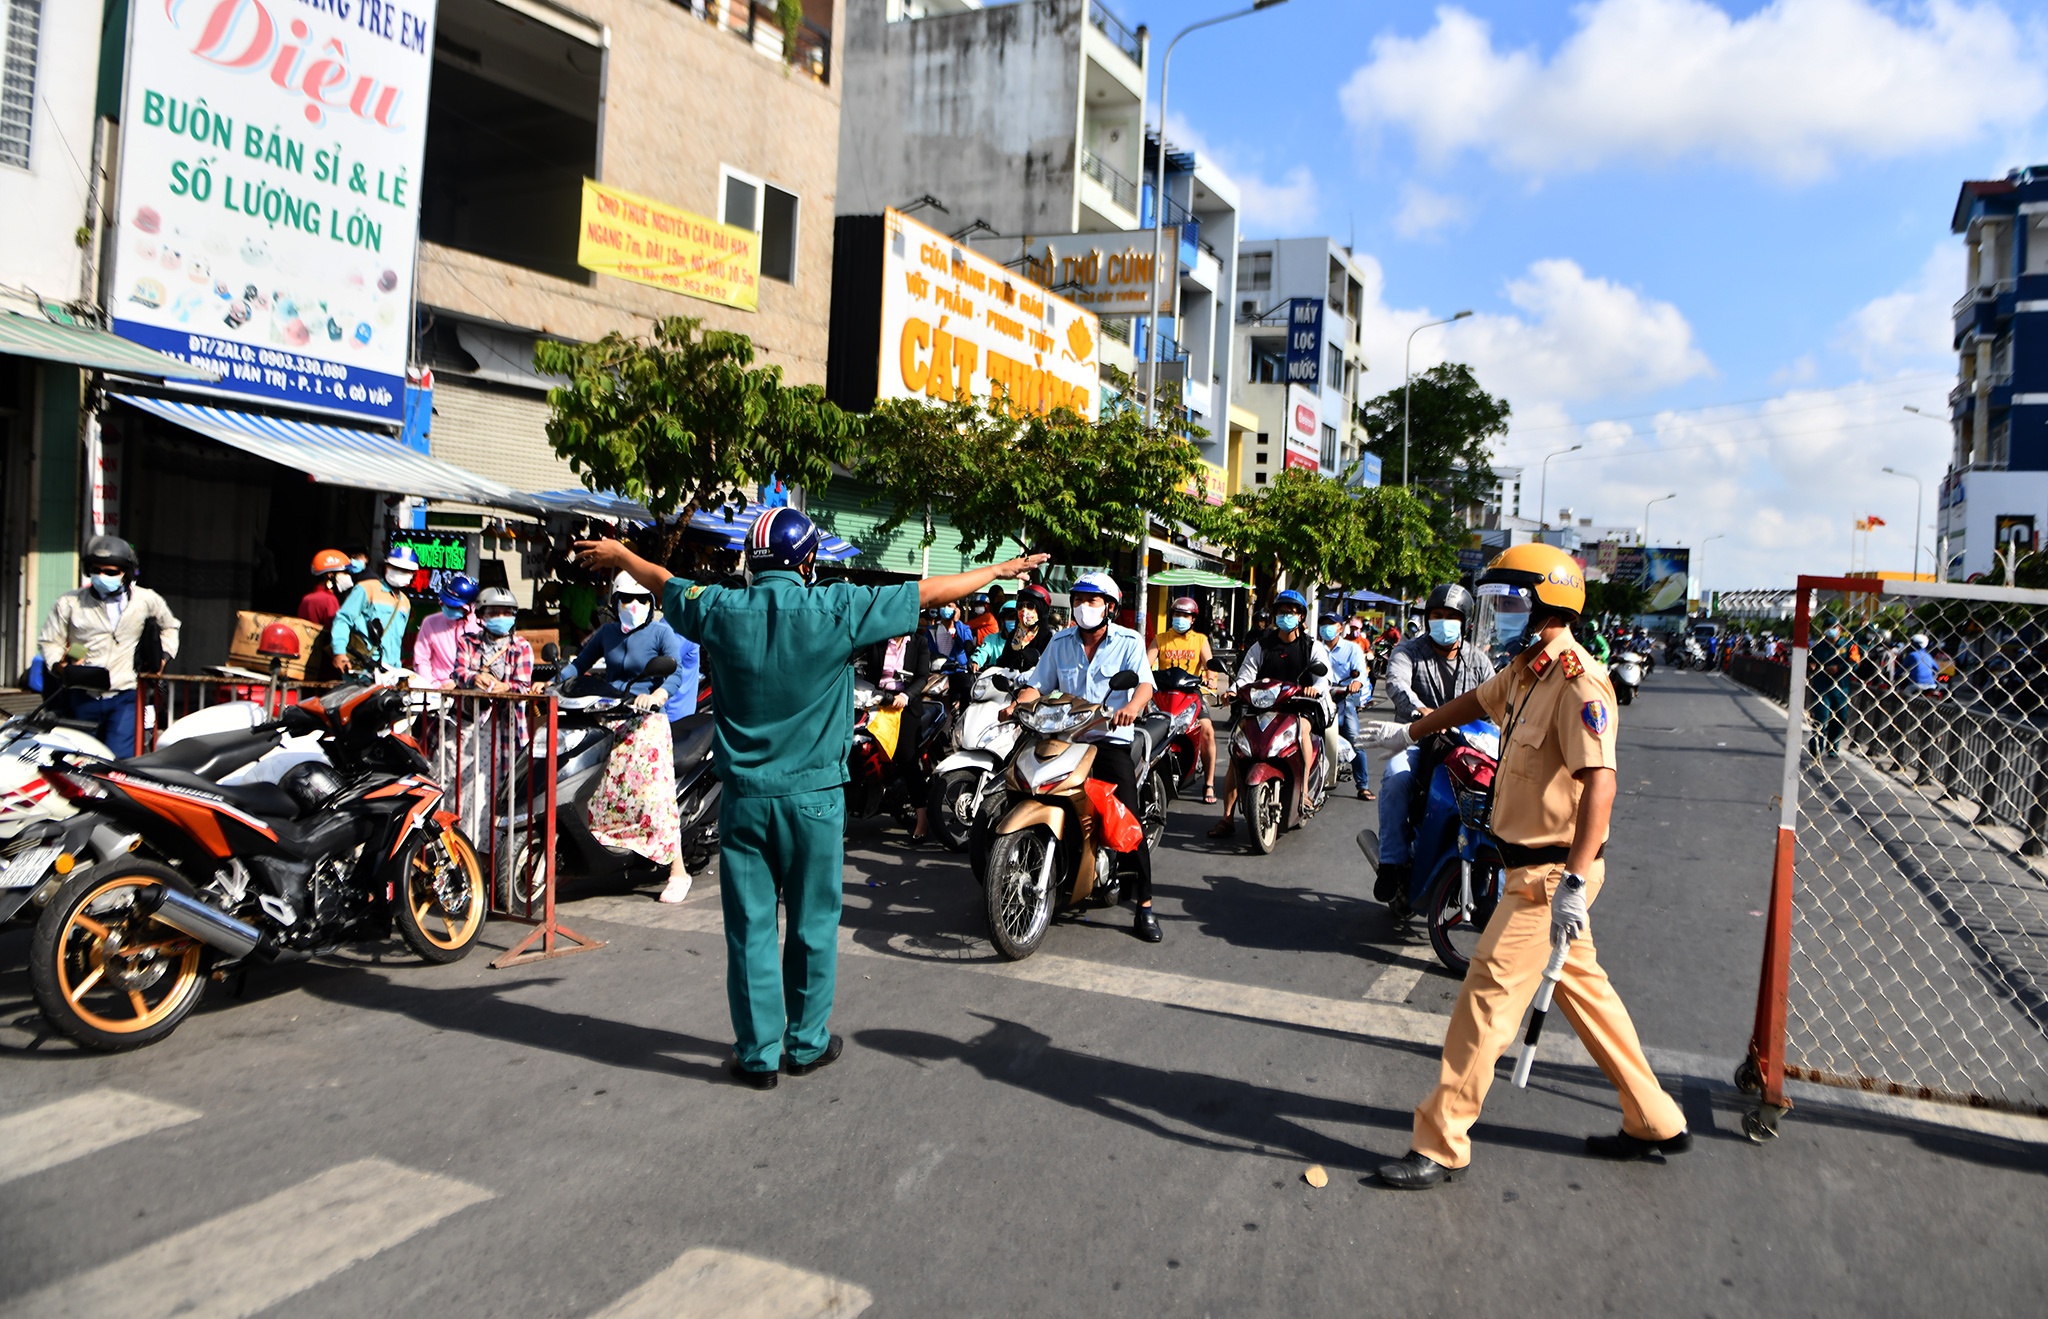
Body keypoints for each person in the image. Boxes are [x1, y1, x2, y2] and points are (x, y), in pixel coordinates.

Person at [575, 512, 1046, 1088]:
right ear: (806, 562)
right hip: (816, 800)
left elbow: (662, 580)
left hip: (745, 800)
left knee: (749, 930)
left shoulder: (721, 608)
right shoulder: (836, 607)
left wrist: (622, 555)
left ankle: (756, 1055)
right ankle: (806, 1043)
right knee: (813, 924)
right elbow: (930, 591)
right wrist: (1001, 569)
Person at [1363, 542, 1687, 1189]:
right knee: (1587, 994)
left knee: (1484, 1000)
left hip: (1548, 876)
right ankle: (1656, 1117)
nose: (1496, 613)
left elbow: (1601, 782)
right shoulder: (1524, 671)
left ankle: (1441, 1140)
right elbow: (1473, 705)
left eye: (1508, 601)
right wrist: (1410, 732)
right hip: (1525, 867)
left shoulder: (1577, 680)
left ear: (1545, 604)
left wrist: (1572, 880)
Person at [1006, 572, 1161, 941]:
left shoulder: (1129, 641)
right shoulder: (1060, 642)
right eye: (1078, 600)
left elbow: (1143, 684)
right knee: (1016, 788)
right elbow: (1037, 685)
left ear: (1109, 606)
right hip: (1064, 738)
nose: (1083, 607)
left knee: (1128, 820)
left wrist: (1133, 708)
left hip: (1109, 741)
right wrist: (1015, 705)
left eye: (1092, 601)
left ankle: (1145, 905)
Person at [553, 572, 699, 900]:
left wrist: (658, 696)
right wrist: (552, 683)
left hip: (647, 723)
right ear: (615, 602)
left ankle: (678, 870)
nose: (634, 606)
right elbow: (579, 666)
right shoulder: (607, 633)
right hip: (609, 719)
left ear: (651, 603)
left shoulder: (662, 633)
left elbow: (673, 673)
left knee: (653, 797)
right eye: (627, 600)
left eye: (642, 600)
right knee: (594, 789)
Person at [1371, 582, 1495, 903]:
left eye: (1451, 616)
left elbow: (1498, 699)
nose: (1442, 622)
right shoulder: (1408, 651)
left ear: (1465, 621)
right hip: (1417, 742)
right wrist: (1421, 712)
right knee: (1396, 777)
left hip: (1467, 748)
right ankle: (1391, 862)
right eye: (1436, 615)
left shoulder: (1480, 663)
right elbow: (1397, 686)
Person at [36, 534, 181, 753]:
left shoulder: (146, 600)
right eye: (97, 570)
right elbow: (50, 640)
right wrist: (59, 665)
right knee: (78, 760)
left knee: (117, 762)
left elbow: (170, 626)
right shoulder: (70, 603)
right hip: (82, 695)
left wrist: (164, 656)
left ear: (126, 574)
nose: (102, 576)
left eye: (111, 572)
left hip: (125, 695)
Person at [1208, 590, 1332, 840]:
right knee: (1237, 753)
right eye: (1282, 611)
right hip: (1262, 706)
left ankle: (1305, 791)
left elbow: (1324, 678)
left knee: (1303, 731)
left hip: (1298, 706)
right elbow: (1245, 675)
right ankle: (1227, 817)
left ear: (1301, 616)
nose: (1286, 616)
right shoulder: (1261, 646)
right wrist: (1232, 691)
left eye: (1291, 612)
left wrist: (1314, 689)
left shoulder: (1312, 647)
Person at [1149, 596, 1221, 805]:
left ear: (1192, 619)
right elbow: (1146, 663)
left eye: (1185, 615)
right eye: (1177, 614)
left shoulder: (1200, 640)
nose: (1180, 618)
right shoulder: (1161, 638)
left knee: (1207, 730)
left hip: (1191, 694)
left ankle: (1208, 783)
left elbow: (1210, 665)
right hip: (1162, 694)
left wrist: (1211, 678)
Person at [332, 545, 419, 675]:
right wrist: (339, 652)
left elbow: (397, 641)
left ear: (412, 574)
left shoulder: (405, 602)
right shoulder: (367, 588)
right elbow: (343, 619)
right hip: (363, 670)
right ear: (386, 567)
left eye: (406, 570)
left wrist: (397, 670)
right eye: (396, 568)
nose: (400, 572)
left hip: (390, 673)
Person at [1321, 612, 1373, 799]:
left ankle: (1363, 786)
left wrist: (1356, 683)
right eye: (1323, 624)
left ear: (1340, 628)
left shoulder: (1352, 649)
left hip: (1344, 698)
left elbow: (1360, 674)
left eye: (1331, 624)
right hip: (1320, 698)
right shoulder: (1315, 648)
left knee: (1355, 739)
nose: (1326, 627)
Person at [412, 574, 479, 688]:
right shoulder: (430, 622)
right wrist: (433, 685)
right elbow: (421, 660)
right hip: (437, 690)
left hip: (471, 690)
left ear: (470, 607)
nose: (448, 609)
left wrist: (459, 683)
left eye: (455, 607)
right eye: (445, 604)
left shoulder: (480, 627)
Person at [974, 582, 1054, 674]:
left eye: (1030, 606)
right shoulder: (1014, 637)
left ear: (1041, 610)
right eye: (1020, 606)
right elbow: (1003, 663)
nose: (1024, 611)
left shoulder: (1049, 639)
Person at [1808, 618, 1851, 758]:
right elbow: (1810, 660)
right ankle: (1816, 745)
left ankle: (1833, 745)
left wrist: (1839, 667)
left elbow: (1855, 663)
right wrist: (1812, 666)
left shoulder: (1849, 645)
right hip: (1821, 686)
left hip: (1841, 688)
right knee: (1821, 716)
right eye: (1827, 627)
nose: (1830, 630)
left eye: (1833, 627)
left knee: (1840, 718)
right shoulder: (1818, 646)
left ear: (1839, 628)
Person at [297, 549, 353, 631]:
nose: (347, 576)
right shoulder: (329, 600)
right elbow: (336, 630)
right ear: (330, 575)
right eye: (344, 572)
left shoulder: (306, 599)